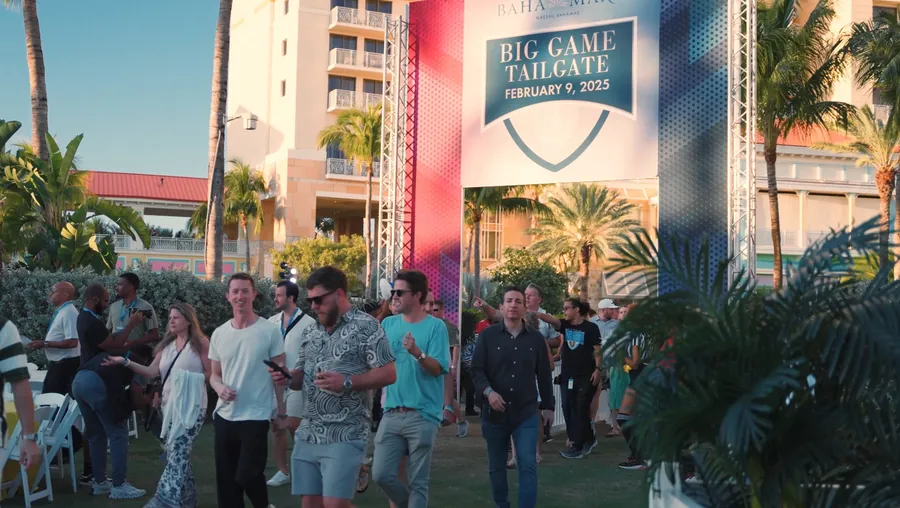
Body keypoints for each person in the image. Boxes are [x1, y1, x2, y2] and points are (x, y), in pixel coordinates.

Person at [270, 266, 396, 508]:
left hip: (346, 431)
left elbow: (389, 373)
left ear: (339, 294)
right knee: (310, 504)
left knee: (335, 504)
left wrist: (348, 382)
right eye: (310, 301)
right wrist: (286, 377)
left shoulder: (367, 327)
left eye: (319, 299)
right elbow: (299, 378)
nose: (314, 306)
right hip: (309, 430)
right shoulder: (311, 331)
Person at [103, 303, 211, 508]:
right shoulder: (166, 346)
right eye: (170, 317)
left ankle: (164, 501)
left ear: (188, 320)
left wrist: (189, 378)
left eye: (176, 318)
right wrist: (124, 362)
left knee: (177, 451)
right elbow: (152, 372)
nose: (171, 321)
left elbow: (212, 374)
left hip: (192, 407)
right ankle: (188, 500)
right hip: (169, 408)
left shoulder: (201, 343)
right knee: (177, 454)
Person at [472, 286, 555, 508]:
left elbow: (544, 374)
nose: (513, 305)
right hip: (494, 414)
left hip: (526, 413)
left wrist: (549, 406)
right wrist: (489, 393)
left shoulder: (536, 339)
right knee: (496, 466)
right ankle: (502, 504)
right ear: (501, 306)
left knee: (527, 464)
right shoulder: (487, 336)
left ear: (525, 307)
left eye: (518, 301)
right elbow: (477, 371)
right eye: (509, 301)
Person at [373, 271, 449, 508]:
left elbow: (438, 369)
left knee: (418, 481)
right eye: (393, 291)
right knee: (381, 474)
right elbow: (378, 364)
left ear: (417, 295)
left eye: (400, 292)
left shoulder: (436, 327)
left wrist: (418, 353)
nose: (394, 295)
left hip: (423, 414)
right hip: (392, 411)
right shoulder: (388, 324)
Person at [209, 273, 286, 508]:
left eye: (244, 291)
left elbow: (280, 373)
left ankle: (262, 505)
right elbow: (214, 375)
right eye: (235, 291)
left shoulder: (269, 331)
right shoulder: (220, 333)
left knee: (247, 474)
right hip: (225, 416)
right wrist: (219, 387)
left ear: (254, 294)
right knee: (227, 483)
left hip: (256, 415)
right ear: (228, 296)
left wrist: (280, 411)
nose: (240, 296)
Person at [73, 283, 146, 499]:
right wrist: (131, 324)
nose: (107, 305)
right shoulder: (92, 322)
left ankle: (100, 482)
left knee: (96, 433)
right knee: (118, 432)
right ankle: (119, 485)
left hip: (80, 380)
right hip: (97, 380)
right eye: (105, 301)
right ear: (94, 299)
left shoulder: (82, 318)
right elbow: (116, 344)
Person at [27, 281, 91, 481]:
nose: (50, 294)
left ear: (64, 293)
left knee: (54, 408)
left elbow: (73, 342)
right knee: (53, 409)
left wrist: (44, 343)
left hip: (65, 366)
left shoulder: (70, 312)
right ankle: (61, 450)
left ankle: (68, 445)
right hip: (58, 365)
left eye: (52, 291)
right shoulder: (63, 311)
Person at [538, 298, 603, 459]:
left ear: (577, 310)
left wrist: (598, 369)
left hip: (586, 375)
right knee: (568, 407)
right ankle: (587, 439)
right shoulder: (565, 326)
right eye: (564, 308)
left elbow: (597, 350)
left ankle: (577, 446)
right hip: (567, 375)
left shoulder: (591, 328)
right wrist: (534, 313)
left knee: (580, 409)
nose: (565, 311)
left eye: (567, 308)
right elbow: (552, 320)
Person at [267, 280, 316, 488]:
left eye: (279, 295)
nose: (276, 299)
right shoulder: (271, 321)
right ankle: (283, 470)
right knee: (277, 427)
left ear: (291, 298)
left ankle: (307, 465)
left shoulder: (309, 324)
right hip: (275, 383)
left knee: (295, 425)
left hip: (298, 381)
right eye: (275, 295)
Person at [106, 273, 160, 412]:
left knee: (135, 388)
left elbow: (154, 334)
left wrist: (132, 343)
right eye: (116, 285)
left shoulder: (144, 307)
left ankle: (148, 409)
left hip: (135, 355)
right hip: (115, 354)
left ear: (132, 287)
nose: (117, 287)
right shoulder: (114, 307)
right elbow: (108, 331)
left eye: (120, 284)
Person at [0, 316, 40, 471]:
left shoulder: (3, 328)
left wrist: (29, 436)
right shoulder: (4, 327)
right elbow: (20, 383)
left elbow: (20, 383)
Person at [430, 296, 468, 437]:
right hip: (430, 365)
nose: (433, 312)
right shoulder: (428, 324)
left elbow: (456, 347)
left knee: (447, 397)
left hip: (444, 367)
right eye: (431, 309)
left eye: (436, 310)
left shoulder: (448, 327)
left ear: (442, 310)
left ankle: (462, 421)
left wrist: (453, 366)